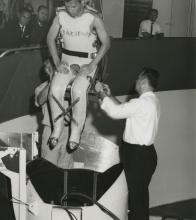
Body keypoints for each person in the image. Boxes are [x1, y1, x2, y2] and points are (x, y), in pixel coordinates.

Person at [95, 68, 160, 220]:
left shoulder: (142, 103)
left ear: (143, 82)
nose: (135, 82)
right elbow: (125, 110)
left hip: (137, 157)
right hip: (144, 156)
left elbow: (115, 113)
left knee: (137, 202)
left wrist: (100, 93)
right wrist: (109, 95)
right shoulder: (151, 101)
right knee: (139, 198)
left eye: (138, 79)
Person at [47, 0, 110, 152]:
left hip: (87, 62)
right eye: (67, 6)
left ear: (83, 2)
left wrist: (92, 65)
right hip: (67, 61)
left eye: (74, 6)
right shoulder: (60, 15)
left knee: (79, 90)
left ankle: (75, 131)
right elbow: (49, 38)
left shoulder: (93, 18)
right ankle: (57, 126)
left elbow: (106, 43)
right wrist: (57, 62)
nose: (70, 10)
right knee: (55, 89)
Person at [34, 60, 73, 168]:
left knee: (66, 169)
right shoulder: (42, 87)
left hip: (68, 131)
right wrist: (53, 81)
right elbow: (40, 100)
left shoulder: (70, 87)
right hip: (50, 130)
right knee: (48, 170)